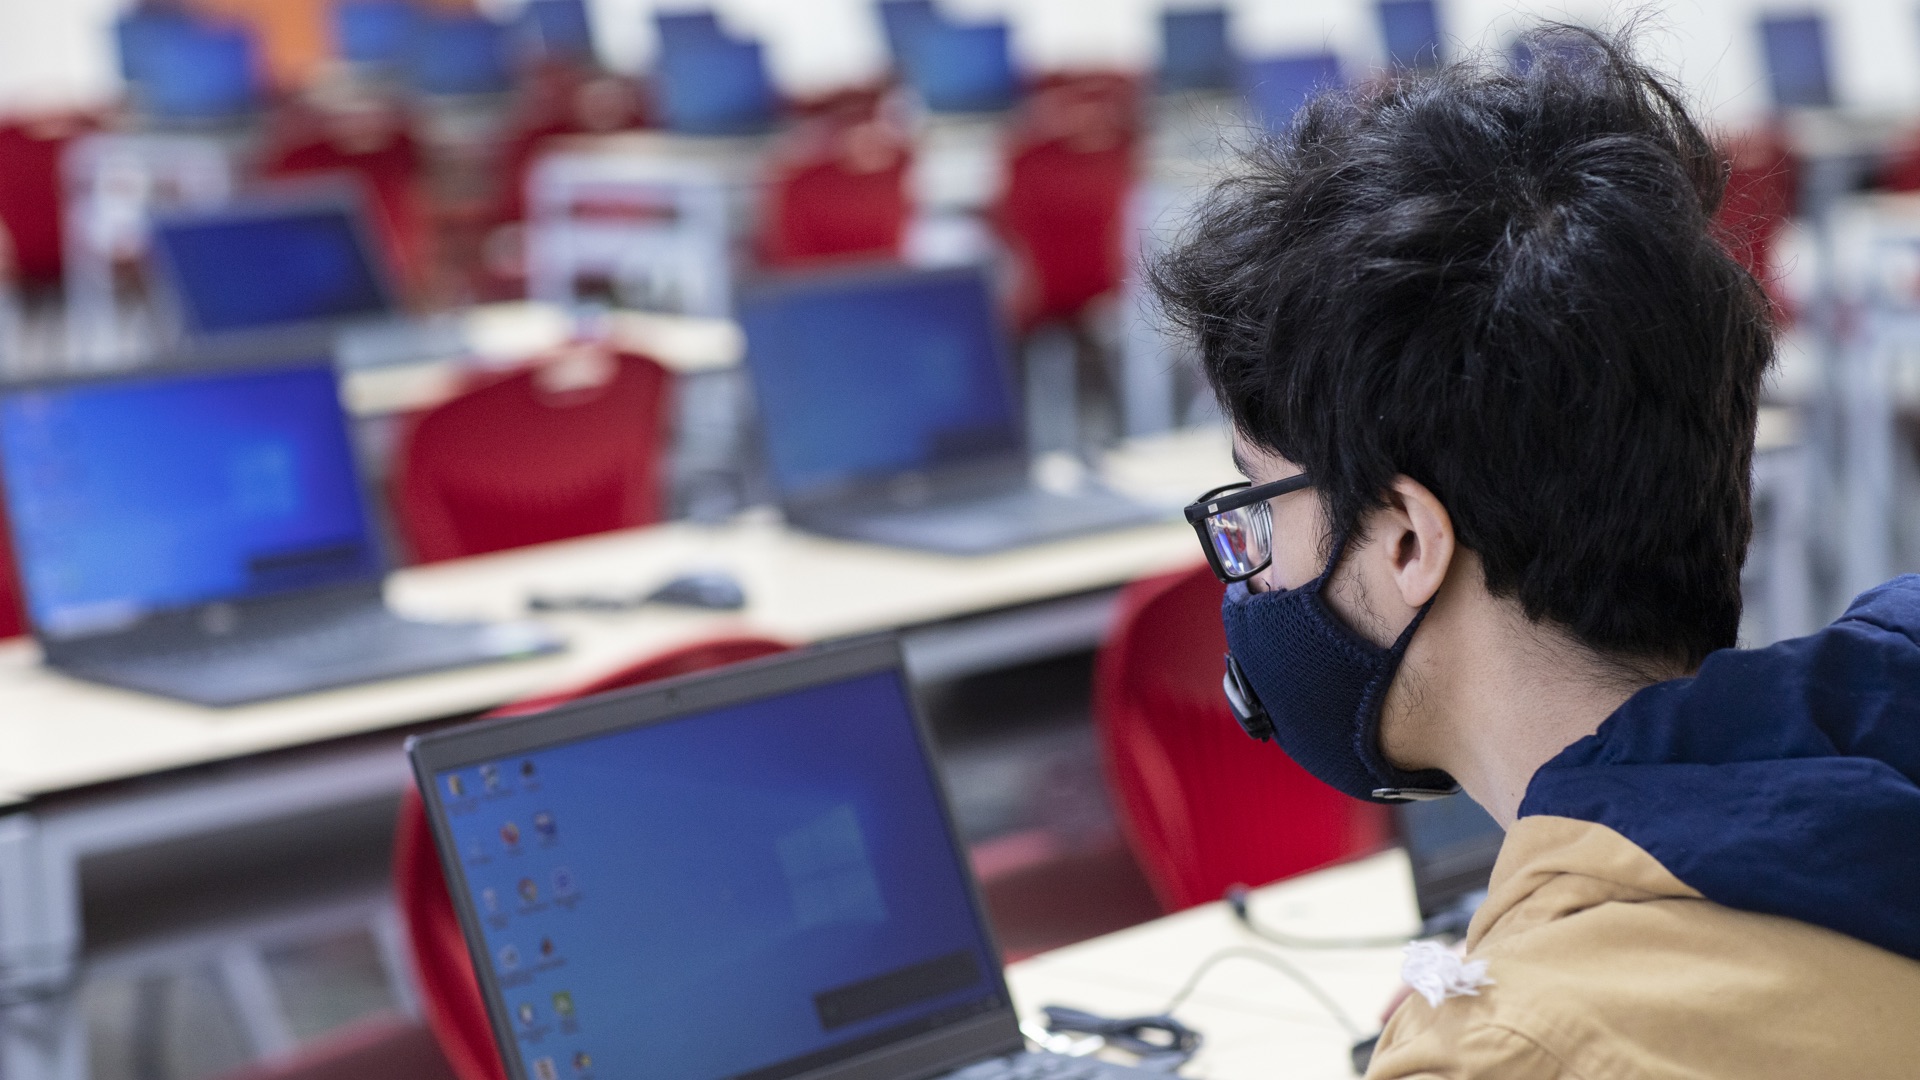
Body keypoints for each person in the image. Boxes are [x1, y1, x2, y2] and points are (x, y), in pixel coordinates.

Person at [1152, 27, 1920, 1078]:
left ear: (1409, 540)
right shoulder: (1880, 738)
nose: (1256, 569)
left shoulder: (1510, 1050)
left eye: (1262, 504)